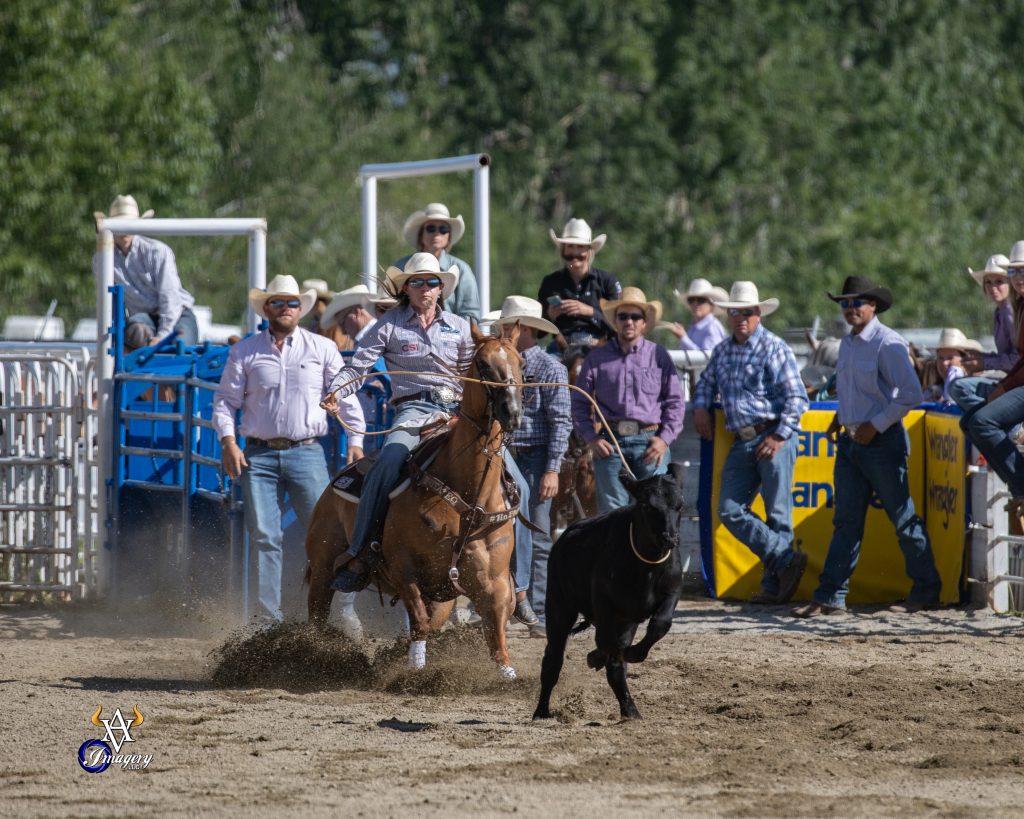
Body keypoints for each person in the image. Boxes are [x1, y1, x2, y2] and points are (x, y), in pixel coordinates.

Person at [323, 252, 526, 595]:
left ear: (440, 289)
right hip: (413, 411)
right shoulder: (388, 326)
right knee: (387, 462)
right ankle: (360, 551)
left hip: (461, 416)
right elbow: (358, 367)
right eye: (417, 282)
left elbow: (473, 373)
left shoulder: (462, 327)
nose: (425, 288)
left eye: (432, 282)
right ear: (407, 289)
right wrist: (336, 391)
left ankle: (514, 582)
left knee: (520, 485)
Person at [213, 275, 366, 630]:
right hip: (258, 455)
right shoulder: (245, 351)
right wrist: (228, 441)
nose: (286, 308)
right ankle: (269, 620)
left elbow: (344, 392)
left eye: (292, 303)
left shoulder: (321, 348)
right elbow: (225, 401)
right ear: (267, 308)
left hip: (306, 451)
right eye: (278, 302)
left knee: (333, 533)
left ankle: (341, 611)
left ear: (301, 309)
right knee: (266, 536)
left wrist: (355, 439)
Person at [794, 276, 942, 617]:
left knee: (902, 519)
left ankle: (926, 590)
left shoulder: (888, 343)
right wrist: (841, 417)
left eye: (855, 303)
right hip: (852, 441)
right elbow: (853, 391)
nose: (849, 309)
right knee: (847, 522)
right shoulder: (849, 344)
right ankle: (830, 594)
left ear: (872, 305)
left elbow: (911, 394)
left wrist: (874, 426)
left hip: (880, 443)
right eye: (844, 304)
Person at [692, 281, 809, 604]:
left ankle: (774, 587)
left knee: (778, 513)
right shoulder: (723, 351)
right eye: (736, 312)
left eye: (748, 312)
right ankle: (784, 560)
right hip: (744, 438)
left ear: (759, 314)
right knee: (729, 510)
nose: (741, 317)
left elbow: (797, 399)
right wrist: (700, 405)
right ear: (729, 316)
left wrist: (779, 434)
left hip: (772, 433)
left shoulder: (774, 347)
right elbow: (705, 382)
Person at [495, 296, 572, 638]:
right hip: (505, 453)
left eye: (507, 326)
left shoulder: (551, 368)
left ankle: (536, 610)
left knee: (538, 533)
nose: (502, 330)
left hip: (536, 457)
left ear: (523, 329)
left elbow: (561, 421)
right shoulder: (501, 363)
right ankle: (509, 605)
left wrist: (552, 468)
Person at [571, 287, 684, 513]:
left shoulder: (658, 355)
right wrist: (592, 438)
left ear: (644, 322)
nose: (629, 321)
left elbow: (675, 403)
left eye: (636, 316)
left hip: (650, 441)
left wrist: (663, 439)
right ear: (616, 321)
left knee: (656, 510)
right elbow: (579, 402)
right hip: (610, 442)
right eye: (623, 316)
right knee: (613, 515)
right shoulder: (597, 359)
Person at [93, 194, 198, 350]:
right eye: (120, 224)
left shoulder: (157, 252)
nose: (125, 230)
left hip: (177, 315)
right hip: (143, 318)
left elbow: (170, 298)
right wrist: (114, 340)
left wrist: (162, 336)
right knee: (135, 332)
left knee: (180, 348)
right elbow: (110, 303)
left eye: (130, 224)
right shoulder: (102, 259)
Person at [538, 218, 622, 347]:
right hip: (560, 347)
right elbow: (538, 333)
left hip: (599, 345)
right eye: (570, 246)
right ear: (563, 251)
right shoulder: (550, 282)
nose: (575, 252)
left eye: (580, 247)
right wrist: (550, 316)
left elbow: (620, 323)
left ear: (589, 251)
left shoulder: (607, 281)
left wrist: (590, 312)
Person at [949, 254, 1016, 415]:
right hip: (1013, 380)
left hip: (1018, 383)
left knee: (959, 387)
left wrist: (983, 362)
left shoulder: (1009, 312)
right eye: (988, 282)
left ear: (1009, 284)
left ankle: (1006, 424)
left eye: (999, 282)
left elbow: (1016, 360)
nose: (993, 288)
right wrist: (980, 357)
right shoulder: (1000, 312)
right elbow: (1009, 356)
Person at [393, 203, 481, 324]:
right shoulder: (400, 266)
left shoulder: (462, 269)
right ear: (421, 233)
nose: (437, 233)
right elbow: (388, 306)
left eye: (443, 229)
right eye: (431, 228)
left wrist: (446, 331)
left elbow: (471, 315)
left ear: (449, 235)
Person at [668, 278, 729, 352]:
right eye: (691, 300)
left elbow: (708, 359)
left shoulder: (712, 327)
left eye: (701, 300)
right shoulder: (695, 327)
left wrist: (683, 338)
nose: (695, 304)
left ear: (711, 304)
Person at [926, 328, 981, 404]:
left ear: (964, 360)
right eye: (940, 358)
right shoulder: (931, 392)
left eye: (950, 358)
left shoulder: (978, 389)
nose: (944, 363)